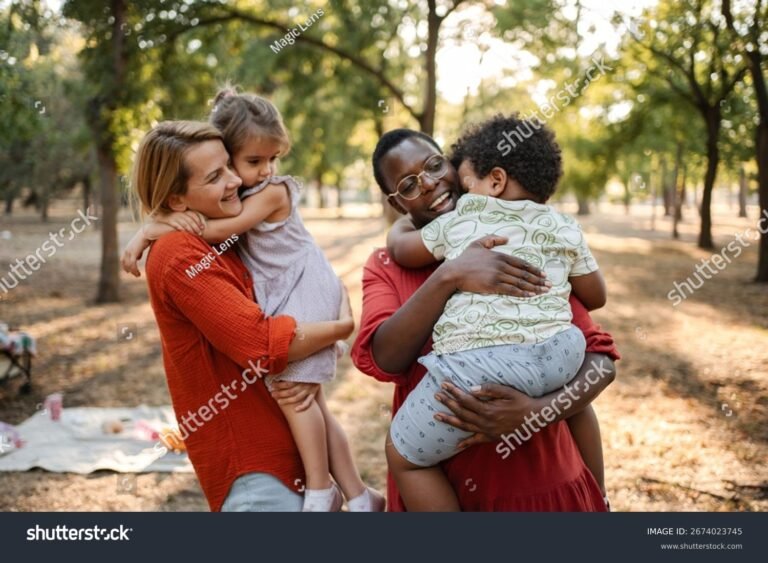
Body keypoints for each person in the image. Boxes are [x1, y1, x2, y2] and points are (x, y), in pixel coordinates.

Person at [123, 92, 382, 512]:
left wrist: (154, 225)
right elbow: (262, 344)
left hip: (280, 454)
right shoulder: (179, 254)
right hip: (253, 467)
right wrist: (339, 327)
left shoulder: (230, 229)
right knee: (306, 399)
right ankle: (343, 492)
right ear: (176, 200)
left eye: (229, 166)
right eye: (216, 176)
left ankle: (347, 491)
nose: (235, 181)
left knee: (309, 399)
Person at [352, 128, 620, 511]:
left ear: (453, 165)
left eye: (434, 165)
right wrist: (450, 275)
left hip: (541, 486)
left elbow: (600, 363)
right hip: (451, 482)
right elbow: (386, 357)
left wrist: (535, 413)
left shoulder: (511, 243)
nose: (428, 183)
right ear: (397, 203)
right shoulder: (386, 265)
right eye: (408, 185)